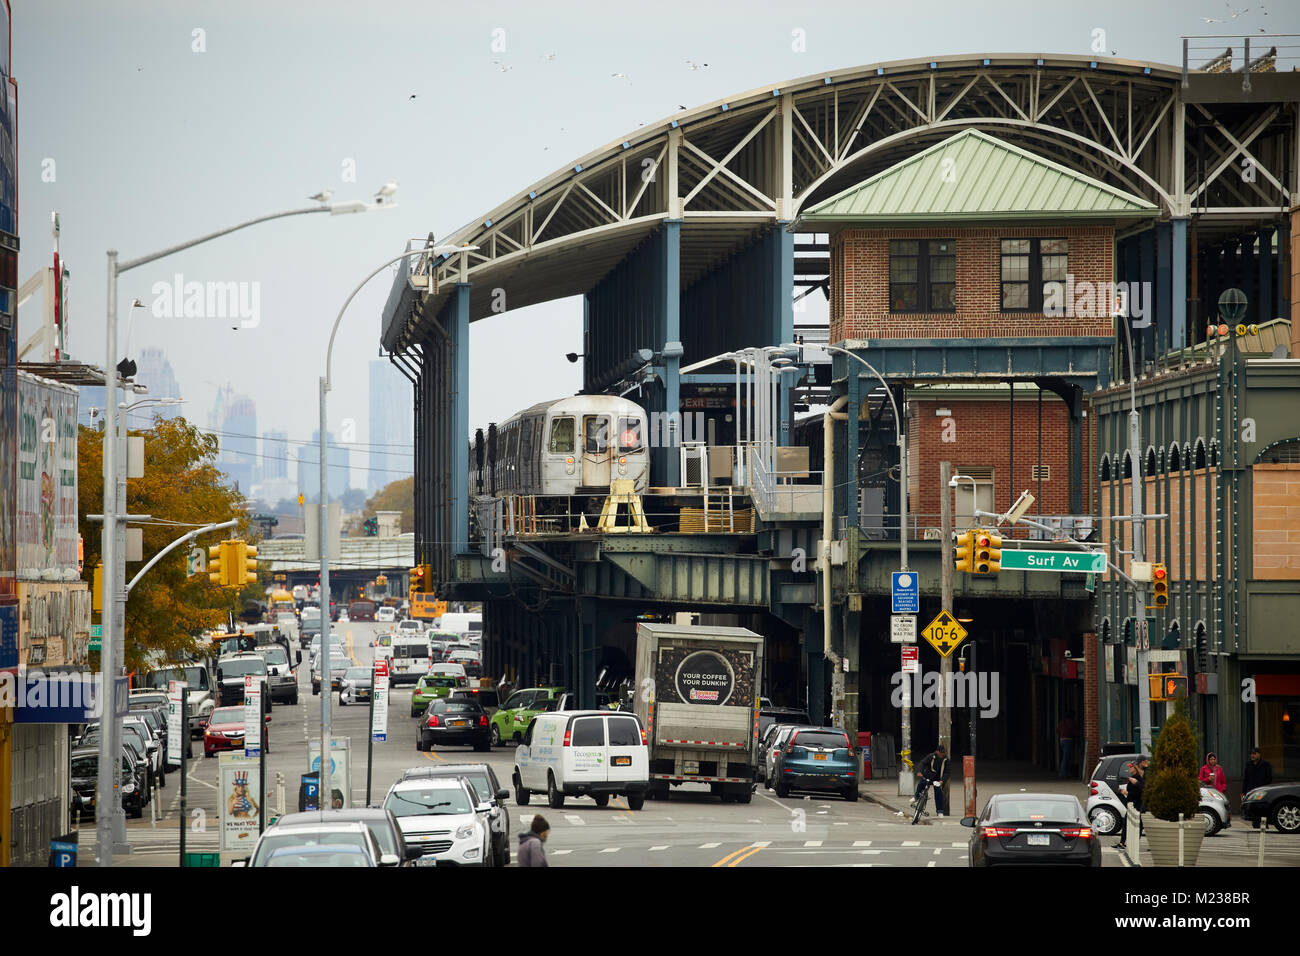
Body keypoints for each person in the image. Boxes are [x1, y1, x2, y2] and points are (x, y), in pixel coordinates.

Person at [1116, 756, 1147, 851]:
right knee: (1126, 823)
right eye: (1129, 767)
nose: (1129, 769)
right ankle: (1122, 842)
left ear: (1135, 768)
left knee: (1139, 824)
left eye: (1131, 767)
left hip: (1137, 804)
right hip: (1132, 804)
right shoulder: (1133, 778)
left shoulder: (1138, 778)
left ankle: (1131, 843)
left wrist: (1127, 793)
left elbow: (1141, 791)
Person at [912, 745, 949, 816]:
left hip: (938, 778)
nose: (941, 754)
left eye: (943, 753)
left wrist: (942, 780)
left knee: (938, 793)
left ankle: (940, 811)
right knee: (921, 784)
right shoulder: (931, 756)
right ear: (937, 752)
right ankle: (916, 797)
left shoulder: (946, 760)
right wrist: (919, 771)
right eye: (940, 753)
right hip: (928, 775)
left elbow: (947, 772)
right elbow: (922, 763)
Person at [1242, 748, 1274, 823]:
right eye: (1252, 754)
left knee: (1262, 807)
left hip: (1262, 790)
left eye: (1255, 754)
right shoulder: (1248, 764)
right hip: (1251, 790)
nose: (1252, 755)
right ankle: (1255, 822)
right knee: (1253, 807)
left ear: (1259, 754)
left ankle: (1264, 823)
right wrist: (1243, 791)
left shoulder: (1265, 764)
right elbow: (1246, 779)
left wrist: (1265, 788)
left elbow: (1269, 778)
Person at [1057, 711, 1078, 779]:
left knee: (1065, 757)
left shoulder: (1062, 722)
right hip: (1068, 740)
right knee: (1066, 758)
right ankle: (1063, 773)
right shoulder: (1071, 722)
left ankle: (1065, 772)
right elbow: (1074, 731)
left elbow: (1057, 730)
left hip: (1061, 740)